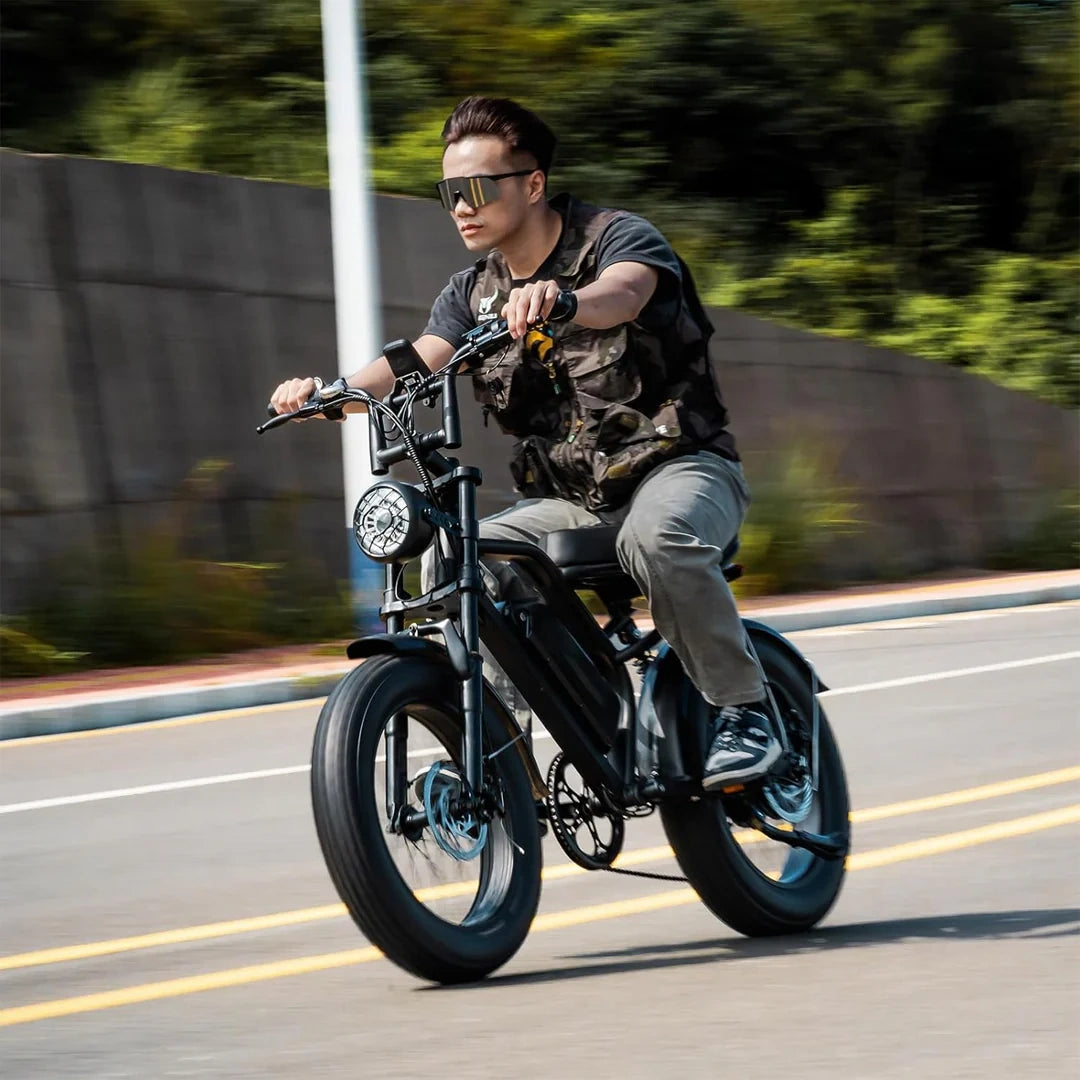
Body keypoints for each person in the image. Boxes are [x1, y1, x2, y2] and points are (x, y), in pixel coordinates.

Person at [270, 96, 779, 787]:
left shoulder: (617, 238)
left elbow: (622, 295)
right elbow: (421, 357)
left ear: (533, 184)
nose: (461, 207)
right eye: (449, 192)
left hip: (680, 469)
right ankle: (501, 755)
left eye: (477, 189)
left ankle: (747, 715)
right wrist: (331, 397)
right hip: (572, 498)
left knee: (656, 540)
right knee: (460, 560)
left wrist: (566, 301)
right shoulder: (471, 293)